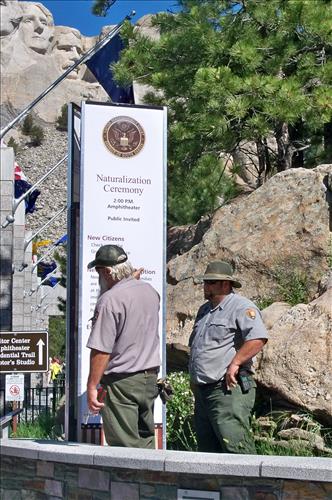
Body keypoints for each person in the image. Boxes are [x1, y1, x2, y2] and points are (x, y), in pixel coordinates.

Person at [189, 260, 268, 454]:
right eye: (205, 282)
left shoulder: (242, 307)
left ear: (225, 284)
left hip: (227, 389)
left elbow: (257, 338)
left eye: (210, 282)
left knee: (235, 445)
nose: (205, 286)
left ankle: (251, 483)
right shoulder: (205, 310)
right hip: (203, 389)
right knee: (208, 451)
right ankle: (217, 485)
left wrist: (236, 363)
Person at [86, 244, 160, 448]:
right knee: (145, 442)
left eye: (99, 272)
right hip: (149, 379)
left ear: (108, 272)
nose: (99, 278)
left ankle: (131, 481)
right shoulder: (150, 292)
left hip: (122, 382)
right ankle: (150, 480)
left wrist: (92, 385)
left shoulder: (109, 300)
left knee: (123, 448)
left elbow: (102, 349)